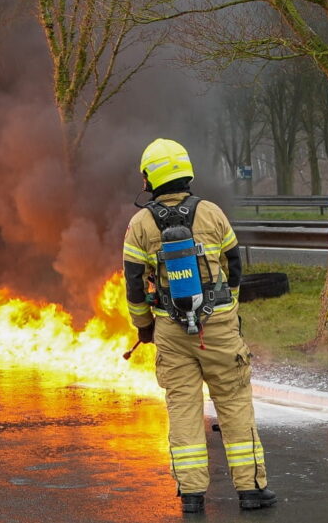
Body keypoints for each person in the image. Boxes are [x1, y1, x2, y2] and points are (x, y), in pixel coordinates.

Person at [125, 138, 272, 514]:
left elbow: (133, 282)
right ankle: (252, 490)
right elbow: (234, 266)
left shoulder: (140, 224)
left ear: (150, 178)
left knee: (184, 410)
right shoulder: (212, 214)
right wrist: (228, 310)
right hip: (219, 327)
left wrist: (144, 327)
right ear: (186, 172)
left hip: (171, 333)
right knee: (235, 404)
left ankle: (191, 496)